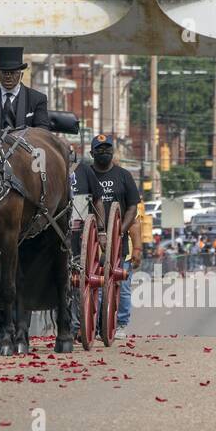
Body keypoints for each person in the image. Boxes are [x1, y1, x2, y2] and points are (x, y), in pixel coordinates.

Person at [75, 133, 140, 340]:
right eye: (99, 150)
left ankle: (120, 323)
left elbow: (132, 207)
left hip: (117, 242)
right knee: (91, 285)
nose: (104, 153)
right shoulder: (83, 174)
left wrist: (118, 232)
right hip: (88, 242)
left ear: (113, 151)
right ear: (91, 153)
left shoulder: (124, 176)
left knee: (122, 285)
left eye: (107, 149)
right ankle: (89, 325)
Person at [0, 46, 52, 130]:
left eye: (13, 72)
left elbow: (42, 131)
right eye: (4, 72)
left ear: (21, 75)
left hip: (23, 142)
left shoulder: (37, 99)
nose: (8, 77)